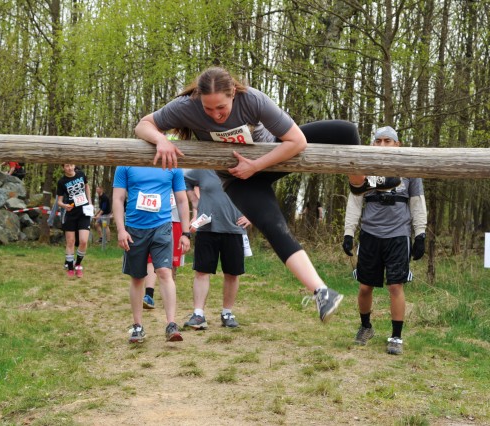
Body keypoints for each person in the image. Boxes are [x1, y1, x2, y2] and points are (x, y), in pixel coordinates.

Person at [135, 66, 357, 322]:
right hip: (238, 179)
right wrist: (161, 140)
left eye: (221, 108)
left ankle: (360, 186)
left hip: (270, 160)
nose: (216, 115)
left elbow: (297, 141)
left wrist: (256, 166)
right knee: (274, 228)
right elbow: (143, 125)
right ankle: (322, 292)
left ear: (233, 94)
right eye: (209, 109)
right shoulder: (186, 105)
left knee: (346, 131)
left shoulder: (253, 100)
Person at [342, 126, 427, 355]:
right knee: (364, 286)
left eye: (387, 141)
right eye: (377, 141)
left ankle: (396, 337)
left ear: (397, 144)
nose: (382, 145)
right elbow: (355, 202)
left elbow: (417, 202)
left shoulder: (410, 168)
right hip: (370, 234)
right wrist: (348, 233)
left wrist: (420, 234)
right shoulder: (363, 168)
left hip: (398, 235)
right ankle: (365, 326)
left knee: (396, 286)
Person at [112, 166, 191, 343]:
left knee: (164, 272)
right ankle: (137, 326)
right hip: (134, 228)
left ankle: (171, 324)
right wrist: (120, 229)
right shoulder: (126, 164)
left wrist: (185, 233)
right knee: (137, 277)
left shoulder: (171, 164)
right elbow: (118, 198)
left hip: (162, 226)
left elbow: (182, 200)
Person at [183, 168, 251, 329]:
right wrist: (194, 201)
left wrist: (251, 214)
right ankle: (198, 314)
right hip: (206, 227)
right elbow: (184, 180)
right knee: (201, 271)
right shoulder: (204, 169)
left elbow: (258, 191)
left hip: (234, 228)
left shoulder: (244, 169)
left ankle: (227, 313)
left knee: (232, 274)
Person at [142, 191, 184, 309]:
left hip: (175, 219)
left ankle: (169, 296)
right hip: (154, 218)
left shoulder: (182, 174)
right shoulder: (150, 172)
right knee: (151, 258)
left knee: (172, 259)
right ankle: (149, 295)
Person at [56, 164, 92, 278]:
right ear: (63, 167)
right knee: (70, 241)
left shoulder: (81, 174)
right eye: (66, 166)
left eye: (71, 165)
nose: (69, 168)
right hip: (71, 213)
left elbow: (87, 186)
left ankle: (78, 264)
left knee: (83, 241)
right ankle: (70, 268)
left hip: (84, 212)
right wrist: (65, 205)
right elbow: (59, 201)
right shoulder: (61, 182)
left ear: (74, 165)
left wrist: (90, 202)